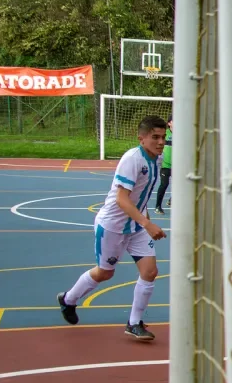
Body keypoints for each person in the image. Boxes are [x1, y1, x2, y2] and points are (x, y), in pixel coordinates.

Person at [57, 116, 168, 341]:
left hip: (135, 226)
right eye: (155, 137)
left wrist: (142, 222)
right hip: (113, 226)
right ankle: (68, 299)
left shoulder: (157, 160)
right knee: (105, 273)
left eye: (163, 137)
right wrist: (148, 224)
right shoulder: (132, 160)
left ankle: (134, 323)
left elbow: (141, 197)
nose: (160, 142)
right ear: (141, 138)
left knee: (150, 271)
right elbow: (122, 199)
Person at [154, 117, 173, 215]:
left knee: (181, 185)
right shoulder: (165, 134)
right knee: (164, 185)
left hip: (177, 166)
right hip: (165, 165)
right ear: (169, 123)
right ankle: (158, 206)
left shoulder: (182, 134)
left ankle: (171, 199)